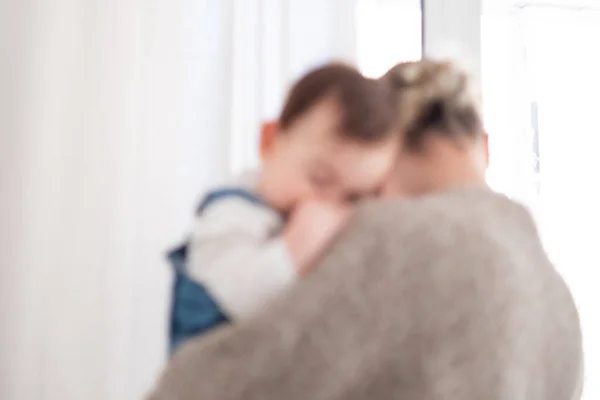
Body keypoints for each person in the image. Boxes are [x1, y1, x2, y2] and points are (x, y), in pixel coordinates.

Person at [150, 59, 583, 400]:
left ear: (389, 149)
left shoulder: (395, 234)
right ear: (483, 145)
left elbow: (203, 387)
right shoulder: (550, 286)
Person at [167, 63, 398, 353]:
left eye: (353, 198)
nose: (325, 207)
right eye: (319, 179)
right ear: (270, 142)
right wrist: (294, 249)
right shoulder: (230, 216)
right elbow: (243, 300)